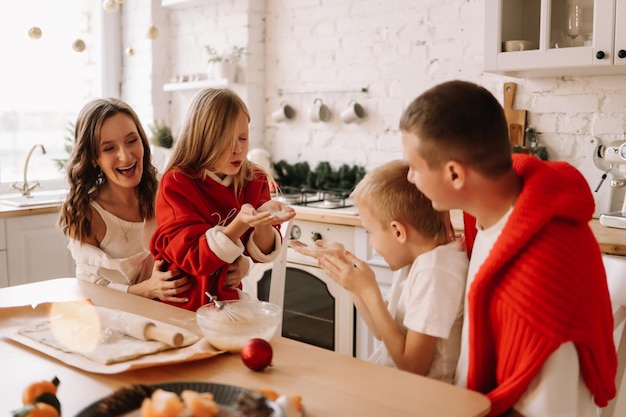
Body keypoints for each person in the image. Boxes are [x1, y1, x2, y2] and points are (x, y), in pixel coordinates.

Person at [398, 80, 617, 416]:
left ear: (455, 174)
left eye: (414, 167)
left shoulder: (540, 274)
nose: (410, 178)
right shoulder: (494, 214)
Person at [315, 160, 468, 382]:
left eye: (370, 232)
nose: (371, 244)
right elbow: (382, 332)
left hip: (424, 401)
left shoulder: (437, 272)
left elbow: (413, 367)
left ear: (398, 231)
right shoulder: (417, 259)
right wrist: (351, 282)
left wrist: (369, 291)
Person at [150, 88, 295, 312]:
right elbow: (195, 258)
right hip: (180, 305)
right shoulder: (177, 183)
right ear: (202, 140)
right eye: (226, 141)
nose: (238, 149)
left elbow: (260, 253)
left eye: (243, 138)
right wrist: (240, 223)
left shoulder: (253, 179)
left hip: (226, 302)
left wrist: (263, 220)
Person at [59, 97, 201, 302]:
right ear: (93, 158)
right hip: (122, 321)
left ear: (142, 141)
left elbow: (211, 240)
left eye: (131, 141)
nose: (126, 156)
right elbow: (91, 288)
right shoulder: (85, 213)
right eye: (109, 148)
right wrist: (146, 289)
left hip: (182, 312)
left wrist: (239, 266)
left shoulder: (170, 189)